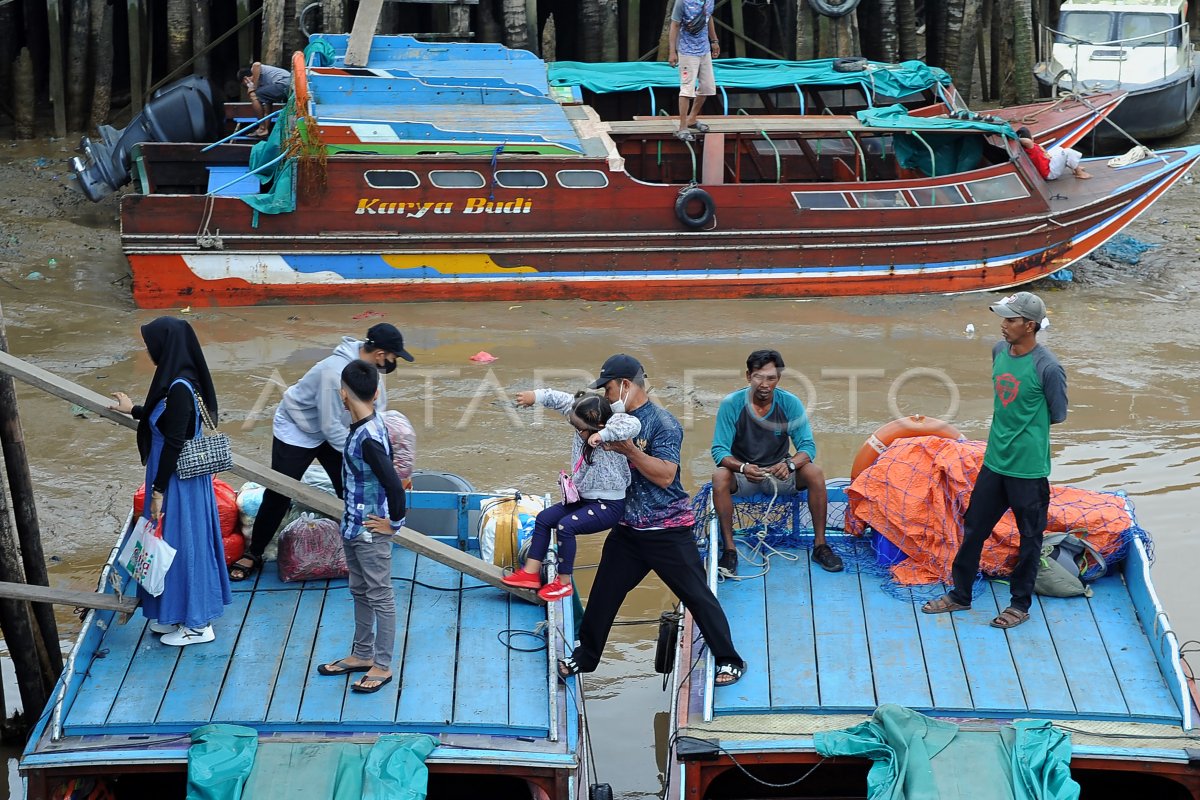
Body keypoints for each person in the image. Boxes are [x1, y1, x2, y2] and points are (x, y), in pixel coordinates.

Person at [559, 355, 745, 687]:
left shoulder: (662, 423)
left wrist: (630, 452)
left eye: (610, 388)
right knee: (602, 596)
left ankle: (730, 660)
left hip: (667, 531)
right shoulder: (609, 419)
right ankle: (584, 658)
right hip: (628, 531)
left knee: (697, 597)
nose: (606, 396)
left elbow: (666, 475)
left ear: (627, 385)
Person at [922, 291, 1068, 629]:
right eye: (1003, 318)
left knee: (1029, 537)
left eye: (1011, 319)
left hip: (1028, 469)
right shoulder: (999, 351)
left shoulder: (1048, 367)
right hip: (994, 461)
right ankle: (960, 595)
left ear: (1029, 325)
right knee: (974, 529)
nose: (1003, 325)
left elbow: (1057, 414)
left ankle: (1019, 604)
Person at [229, 323, 413, 582]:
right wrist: (361, 454)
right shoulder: (332, 373)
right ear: (381, 353)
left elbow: (377, 409)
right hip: (298, 428)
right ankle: (255, 552)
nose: (395, 362)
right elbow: (328, 426)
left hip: (339, 426)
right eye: (395, 357)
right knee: (280, 492)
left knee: (348, 487)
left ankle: (359, 544)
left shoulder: (370, 369)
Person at [110, 318, 232, 646]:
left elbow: (175, 441)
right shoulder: (176, 381)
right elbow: (163, 420)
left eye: (151, 345)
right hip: (174, 479)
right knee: (170, 545)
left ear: (165, 347)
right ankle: (175, 613)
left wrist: (159, 492)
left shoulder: (179, 388)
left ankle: (198, 624)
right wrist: (133, 409)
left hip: (179, 483)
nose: (149, 351)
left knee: (183, 545)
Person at [315, 360, 407, 693]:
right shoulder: (366, 425)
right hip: (353, 526)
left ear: (343, 394)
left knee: (381, 596)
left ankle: (382, 664)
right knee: (359, 590)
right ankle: (362, 653)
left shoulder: (367, 437)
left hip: (370, 532)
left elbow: (395, 486)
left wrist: (393, 524)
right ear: (376, 391)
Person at [710, 349, 843, 576]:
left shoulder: (789, 403)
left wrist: (790, 464)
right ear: (747, 376)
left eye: (771, 378)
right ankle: (730, 550)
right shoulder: (731, 404)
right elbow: (719, 450)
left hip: (780, 472)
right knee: (719, 477)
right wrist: (742, 467)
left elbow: (808, 447)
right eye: (758, 377)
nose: (764, 384)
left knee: (814, 472)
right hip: (745, 474)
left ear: (778, 378)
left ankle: (820, 546)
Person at [505, 390, 641, 601]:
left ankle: (564, 583)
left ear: (598, 425)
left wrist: (602, 435)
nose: (577, 433)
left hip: (609, 505)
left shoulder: (614, 428)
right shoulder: (583, 412)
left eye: (580, 430)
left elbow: (634, 424)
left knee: (565, 526)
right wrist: (536, 396)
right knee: (544, 518)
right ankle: (530, 573)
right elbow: (560, 400)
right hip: (584, 498)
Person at [668, 0, 720, 142]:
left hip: (704, 50)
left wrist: (714, 41)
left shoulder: (709, 1)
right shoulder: (682, 2)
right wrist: (672, 52)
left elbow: (708, 18)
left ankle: (692, 119)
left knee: (707, 87)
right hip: (686, 51)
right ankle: (682, 126)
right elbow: (675, 25)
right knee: (687, 89)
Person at [237, 62, 292, 135]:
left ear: (245, 79)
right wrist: (265, 127)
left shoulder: (254, 69)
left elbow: (257, 64)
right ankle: (263, 129)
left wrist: (253, 87)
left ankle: (262, 128)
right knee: (265, 101)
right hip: (286, 87)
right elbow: (267, 110)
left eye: (245, 85)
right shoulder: (265, 87)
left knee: (254, 95)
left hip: (284, 84)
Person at [1016, 126, 1091, 180]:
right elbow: (1027, 141)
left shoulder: (1031, 146)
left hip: (1048, 164)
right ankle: (1079, 173)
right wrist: (1015, 138)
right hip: (1050, 173)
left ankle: (1074, 167)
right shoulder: (1029, 147)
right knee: (1068, 152)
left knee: (1058, 149)